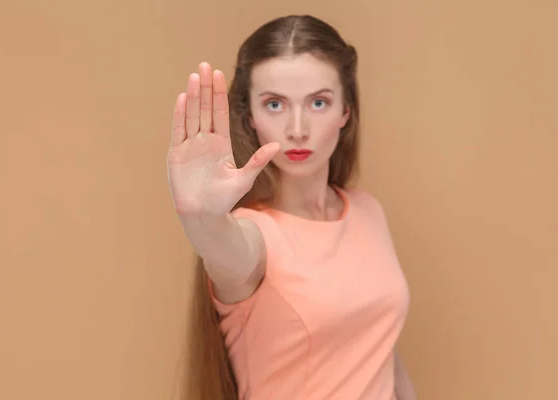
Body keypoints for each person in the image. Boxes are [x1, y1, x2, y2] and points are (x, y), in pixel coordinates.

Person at [167, 14, 417, 400]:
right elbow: (221, 245)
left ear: (346, 111)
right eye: (275, 105)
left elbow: (383, 351)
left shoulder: (368, 211)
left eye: (318, 102)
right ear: (249, 117)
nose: (298, 128)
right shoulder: (253, 236)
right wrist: (201, 217)